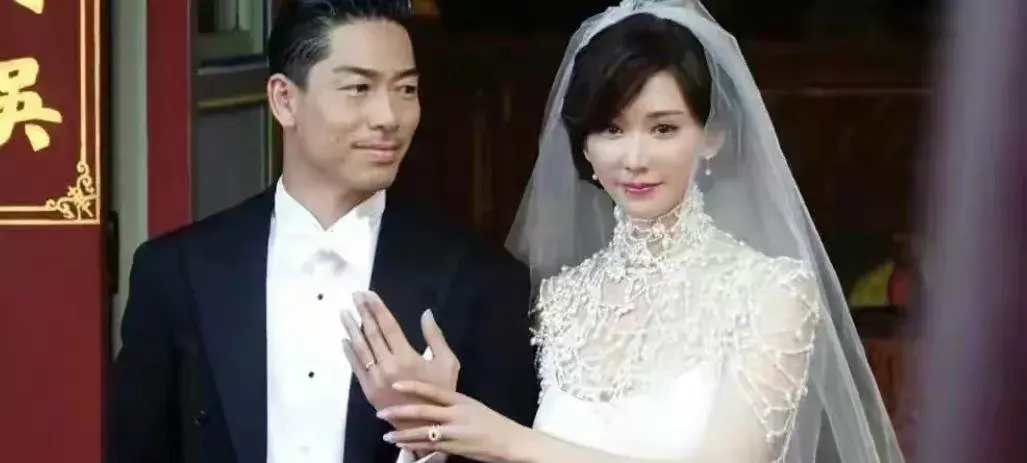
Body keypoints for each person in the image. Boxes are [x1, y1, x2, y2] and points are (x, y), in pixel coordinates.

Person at [344, 0, 905, 461]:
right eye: (611, 129)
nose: (634, 158)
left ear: (710, 137)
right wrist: (434, 425)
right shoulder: (560, 301)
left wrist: (507, 440)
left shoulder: (773, 294)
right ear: (585, 147)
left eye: (663, 129)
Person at [106, 1, 538, 462]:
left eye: (406, 89)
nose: (389, 117)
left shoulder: (481, 281)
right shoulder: (176, 271)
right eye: (358, 88)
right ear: (284, 100)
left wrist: (431, 435)